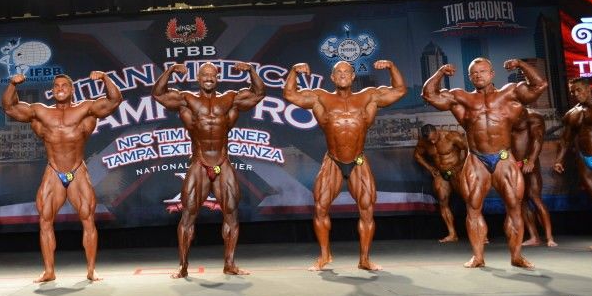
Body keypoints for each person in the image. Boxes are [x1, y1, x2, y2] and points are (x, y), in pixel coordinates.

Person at [422, 58, 547, 269]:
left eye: (482, 71)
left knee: (514, 207)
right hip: (476, 159)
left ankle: (516, 256)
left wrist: (520, 65)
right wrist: (441, 71)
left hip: (503, 158)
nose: (478, 75)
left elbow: (539, 85)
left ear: (492, 74)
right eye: (474, 73)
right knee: (473, 209)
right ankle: (478, 256)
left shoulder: (509, 93)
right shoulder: (462, 97)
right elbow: (428, 95)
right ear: (470, 77)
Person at [284, 60, 406, 271]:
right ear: (332, 77)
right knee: (320, 207)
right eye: (338, 72)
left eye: (346, 72)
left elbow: (400, 90)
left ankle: (364, 259)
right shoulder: (321, 98)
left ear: (353, 76)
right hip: (333, 160)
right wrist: (294, 71)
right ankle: (324, 256)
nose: (342, 74)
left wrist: (392, 66)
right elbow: (290, 94)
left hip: (358, 160)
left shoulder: (368, 96)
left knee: (367, 209)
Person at [2, 72, 121, 283]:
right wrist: (12, 84)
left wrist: (104, 78)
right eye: (56, 86)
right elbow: (10, 108)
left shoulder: (85, 109)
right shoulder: (41, 111)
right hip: (53, 170)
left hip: (77, 170)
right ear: (52, 90)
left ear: (72, 89)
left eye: (64, 85)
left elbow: (114, 100)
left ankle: (91, 270)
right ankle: (49, 271)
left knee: (88, 219)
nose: (60, 88)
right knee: (45, 220)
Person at [152, 62, 265, 278]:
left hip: (222, 162)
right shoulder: (187, 99)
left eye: (212, 75)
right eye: (205, 75)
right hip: (199, 163)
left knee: (231, 213)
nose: (209, 78)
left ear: (217, 78)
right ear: (198, 78)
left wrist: (251, 71)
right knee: (188, 215)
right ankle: (183, 266)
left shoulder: (230, 99)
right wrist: (170, 71)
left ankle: (229, 264)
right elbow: (158, 94)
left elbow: (258, 93)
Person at [413, 124, 467, 242]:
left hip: (457, 171)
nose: (432, 142)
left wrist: (461, 166)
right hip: (441, 174)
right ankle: (452, 234)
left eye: (434, 138)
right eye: (430, 140)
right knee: (442, 202)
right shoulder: (424, 142)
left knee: (470, 202)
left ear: (436, 131)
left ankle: (480, 234)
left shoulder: (451, 136)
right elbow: (417, 155)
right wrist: (430, 168)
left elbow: (469, 149)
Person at [511, 107, 556, 247]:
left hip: (529, 162)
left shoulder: (533, 116)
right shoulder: (505, 115)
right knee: (521, 201)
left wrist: (531, 160)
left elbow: (537, 139)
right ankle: (534, 237)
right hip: (515, 164)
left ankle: (549, 237)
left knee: (535, 198)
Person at [554, 77, 592, 200]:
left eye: (578, 90)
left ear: (588, 89)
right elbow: (565, 139)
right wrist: (559, 160)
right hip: (585, 160)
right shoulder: (571, 114)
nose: (575, 94)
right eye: (572, 92)